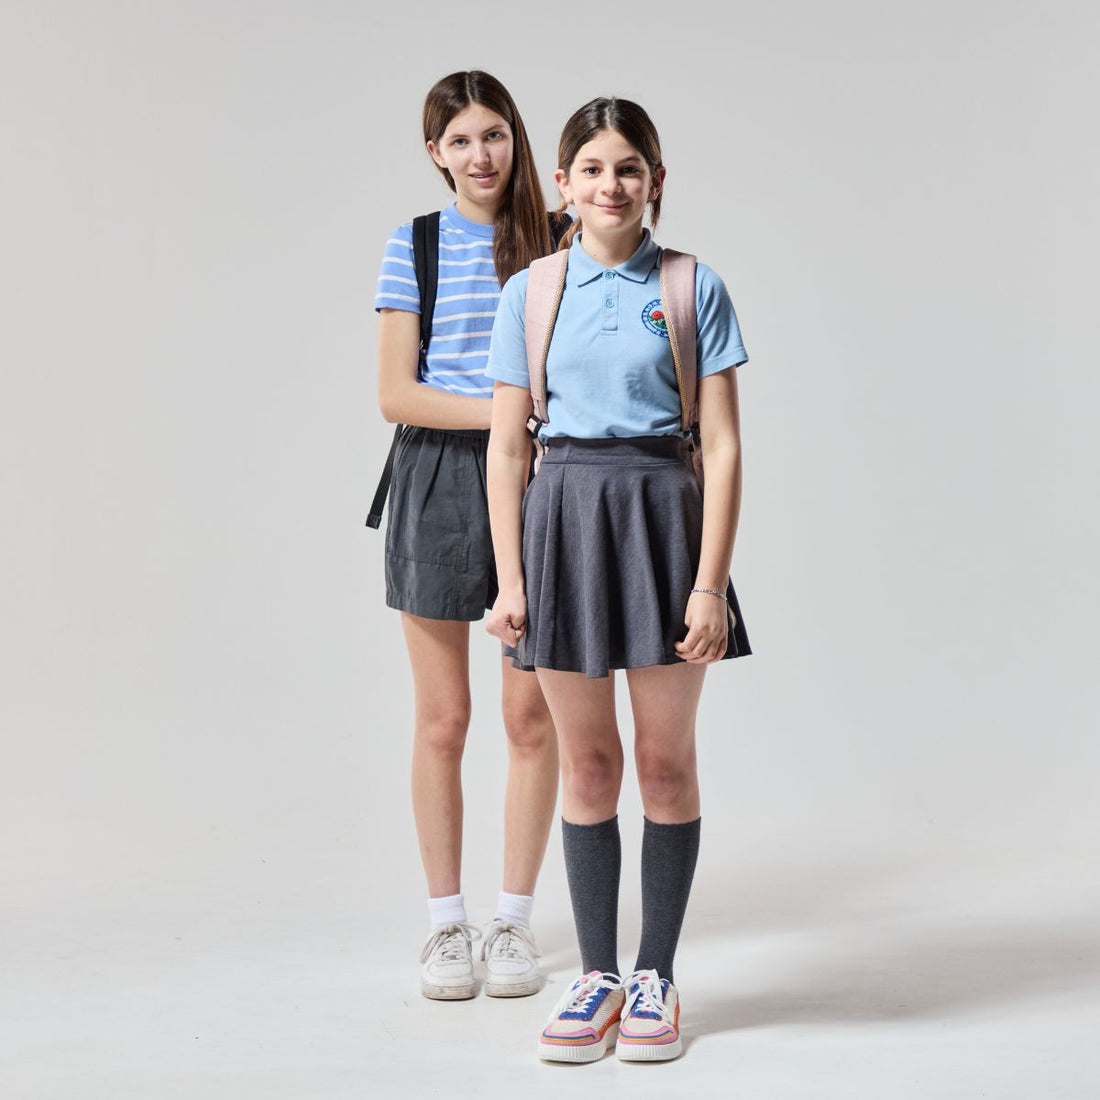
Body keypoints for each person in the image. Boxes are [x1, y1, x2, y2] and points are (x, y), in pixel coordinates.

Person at [484, 96, 751, 1061]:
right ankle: (596, 973)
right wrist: (510, 581)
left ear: (656, 181)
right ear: (563, 184)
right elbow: (507, 453)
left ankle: (657, 979)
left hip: (663, 521)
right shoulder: (533, 291)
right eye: (592, 168)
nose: (611, 184)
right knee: (587, 764)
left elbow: (719, 448)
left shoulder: (691, 285)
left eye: (629, 167)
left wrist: (709, 585)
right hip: (562, 523)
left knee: (665, 761)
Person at [374, 71, 562, 1001]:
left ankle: (515, 922)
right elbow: (393, 393)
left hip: (541, 481)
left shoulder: (557, 241)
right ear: (435, 154)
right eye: (461, 141)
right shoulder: (413, 245)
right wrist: (501, 416)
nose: (480, 155)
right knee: (444, 719)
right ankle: (446, 925)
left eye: (494, 135)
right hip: (440, 478)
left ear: (516, 139)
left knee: (532, 715)